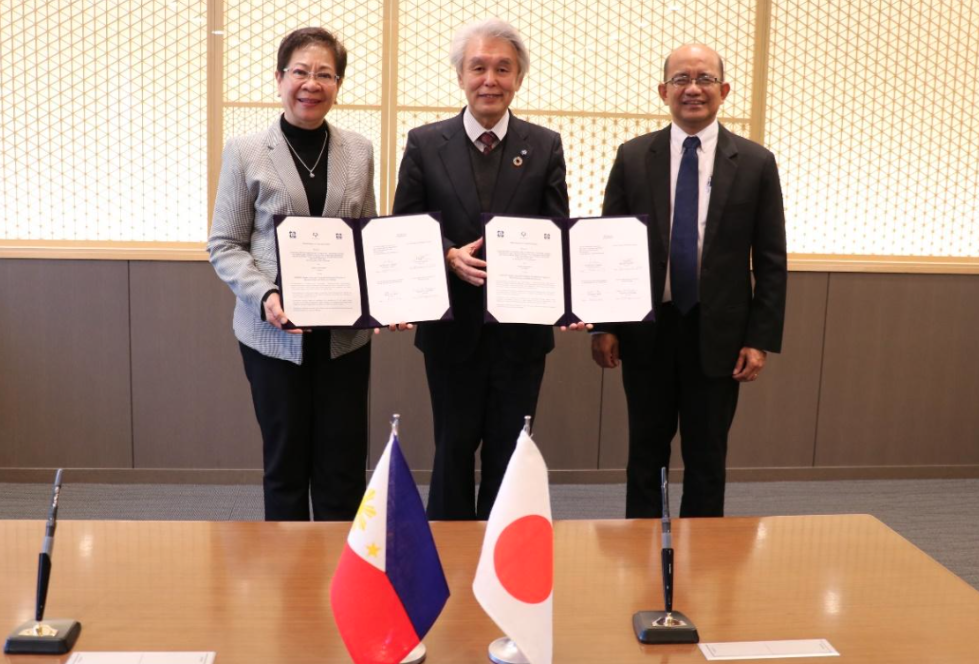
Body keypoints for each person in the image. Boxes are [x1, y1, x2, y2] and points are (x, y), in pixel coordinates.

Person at [592, 44, 787, 518]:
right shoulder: (634, 157)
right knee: (644, 454)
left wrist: (759, 339)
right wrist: (605, 325)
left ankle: (704, 567)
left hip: (719, 335)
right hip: (646, 332)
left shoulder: (756, 164)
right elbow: (607, 248)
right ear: (663, 91)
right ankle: (641, 555)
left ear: (724, 90)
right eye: (681, 79)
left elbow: (770, 259)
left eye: (704, 79)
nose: (693, 89)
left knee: (707, 457)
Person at [392, 19, 569, 520]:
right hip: (451, 329)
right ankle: (445, 558)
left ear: (518, 78)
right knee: (451, 449)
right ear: (460, 76)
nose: (490, 79)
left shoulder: (545, 144)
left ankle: (501, 565)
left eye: (503, 68)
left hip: (522, 333)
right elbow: (406, 222)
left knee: (509, 453)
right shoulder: (426, 143)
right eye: (478, 67)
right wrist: (448, 254)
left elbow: (558, 232)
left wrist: (573, 298)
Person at [208, 27, 376, 521]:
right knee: (285, 465)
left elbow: (367, 239)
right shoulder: (245, 151)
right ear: (280, 78)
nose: (311, 83)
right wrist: (266, 296)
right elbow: (224, 244)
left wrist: (387, 297)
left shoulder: (360, 151)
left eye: (324, 74)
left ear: (338, 84)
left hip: (345, 338)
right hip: (272, 335)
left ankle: (338, 582)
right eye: (300, 72)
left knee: (343, 467)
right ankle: (286, 587)